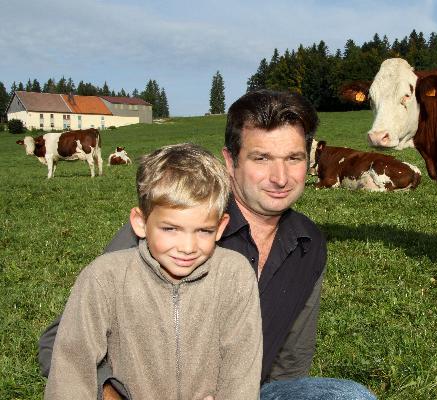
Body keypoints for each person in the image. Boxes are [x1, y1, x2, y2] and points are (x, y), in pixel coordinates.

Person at [39, 90, 376, 399]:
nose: (280, 177)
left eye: (293, 158)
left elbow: (291, 364)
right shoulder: (177, 223)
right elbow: (58, 345)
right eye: (261, 158)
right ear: (230, 162)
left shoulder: (309, 243)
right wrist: (113, 395)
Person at [43, 143, 262, 399]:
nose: (188, 247)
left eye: (204, 230)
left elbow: (242, 364)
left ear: (221, 226)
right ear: (141, 222)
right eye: (170, 229)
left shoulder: (234, 275)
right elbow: (72, 366)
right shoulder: (105, 277)